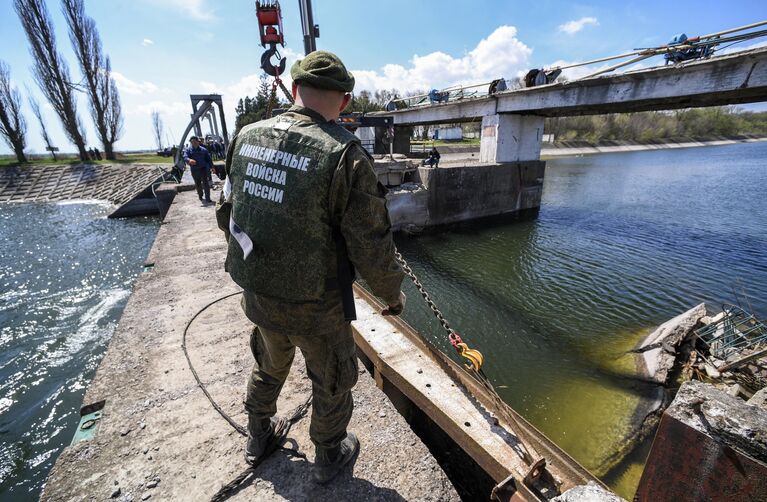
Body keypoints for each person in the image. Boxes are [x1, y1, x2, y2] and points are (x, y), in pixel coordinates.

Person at [216, 50, 405, 484]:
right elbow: (371, 244)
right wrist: (391, 295)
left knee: (268, 363)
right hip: (316, 306)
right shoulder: (346, 155)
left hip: (260, 294)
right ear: (344, 102)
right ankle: (328, 455)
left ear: (295, 89)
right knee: (332, 379)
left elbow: (228, 214)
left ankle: (258, 435)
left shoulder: (246, 136)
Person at [183, 135, 213, 202]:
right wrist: (189, 160)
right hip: (194, 170)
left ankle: (208, 198)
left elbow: (209, 159)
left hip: (203, 169)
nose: (194, 143)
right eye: (192, 142)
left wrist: (212, 167)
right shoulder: (188, 150)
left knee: (206, 183)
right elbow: (185, 157)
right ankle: (200, 195)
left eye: (195, 141)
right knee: (198, 184)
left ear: (198, 142)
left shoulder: (204, 150)